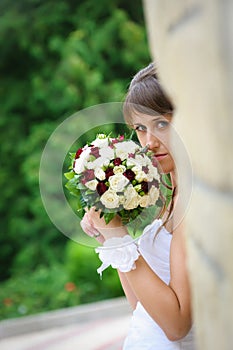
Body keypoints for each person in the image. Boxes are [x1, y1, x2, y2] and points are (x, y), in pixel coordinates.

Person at [80, 63, 196, 349]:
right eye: (140, 129)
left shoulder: (192, 204)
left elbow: (177, 325)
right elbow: (141, 307)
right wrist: (110, 233)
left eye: (161, 124)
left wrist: (118, 237)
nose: (149, 143)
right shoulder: (170, 199)